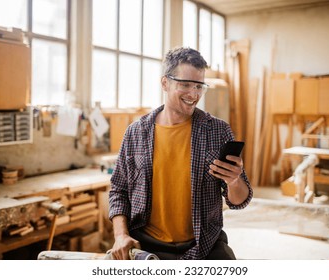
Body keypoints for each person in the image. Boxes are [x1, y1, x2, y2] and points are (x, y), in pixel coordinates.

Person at [108, 46, 253, 260]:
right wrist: (121, 235)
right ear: (165, 83)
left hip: (205, 244)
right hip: (147, 245)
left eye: (198, 86)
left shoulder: (218, 131)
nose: (193, 94)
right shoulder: (136, 132)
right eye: (185, 85)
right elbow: (118, 190)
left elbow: (240, 201)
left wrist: (234, 181)